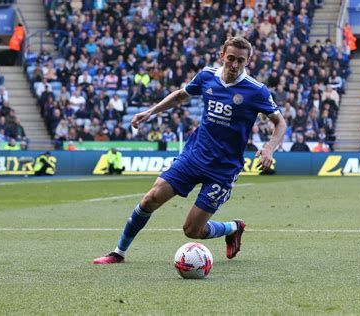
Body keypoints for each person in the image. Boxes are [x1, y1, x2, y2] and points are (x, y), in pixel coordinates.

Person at [93, 37, 287, 265]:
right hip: (193, 157)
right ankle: (118, 252)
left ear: (248, 61)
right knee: (149, 200)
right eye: (231, 58)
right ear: (222, 55)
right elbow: (180, 95)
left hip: (223, 169)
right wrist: (150, 112)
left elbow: (280, 123)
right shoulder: (207, 76)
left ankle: (233, 228)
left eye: (241, 61)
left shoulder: (257, 91)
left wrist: (269, 149)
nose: (235, 65)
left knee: (192, 230)